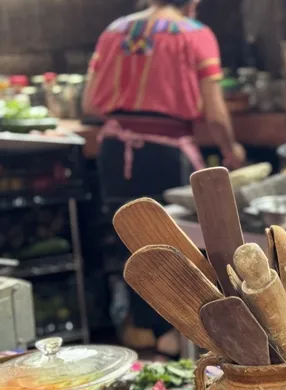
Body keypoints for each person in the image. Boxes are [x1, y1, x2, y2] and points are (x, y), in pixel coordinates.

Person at [83, 0, 245, 357]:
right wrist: (231, 149)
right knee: (177, 246)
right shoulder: (195, 34)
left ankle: (142, 331)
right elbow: (216, 114)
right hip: (166, 154)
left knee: (131, 243)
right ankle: (174, 336)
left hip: (115, 151)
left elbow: (89, 104)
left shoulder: (114, 31)